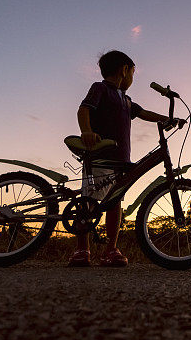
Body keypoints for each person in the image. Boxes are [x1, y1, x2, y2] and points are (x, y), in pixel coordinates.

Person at [69, 50, 182, 267]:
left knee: (114, 204)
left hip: (121, 160)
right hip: (100, 157)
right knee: (89, 203)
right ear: (124, 70)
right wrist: (86, 131)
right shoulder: (100, 88)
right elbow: (83, 109)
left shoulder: (126, 100)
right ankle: (82, 249)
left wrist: (169, 119)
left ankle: (110, 250)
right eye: (132, 73)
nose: (132, 78)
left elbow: (144, 113)